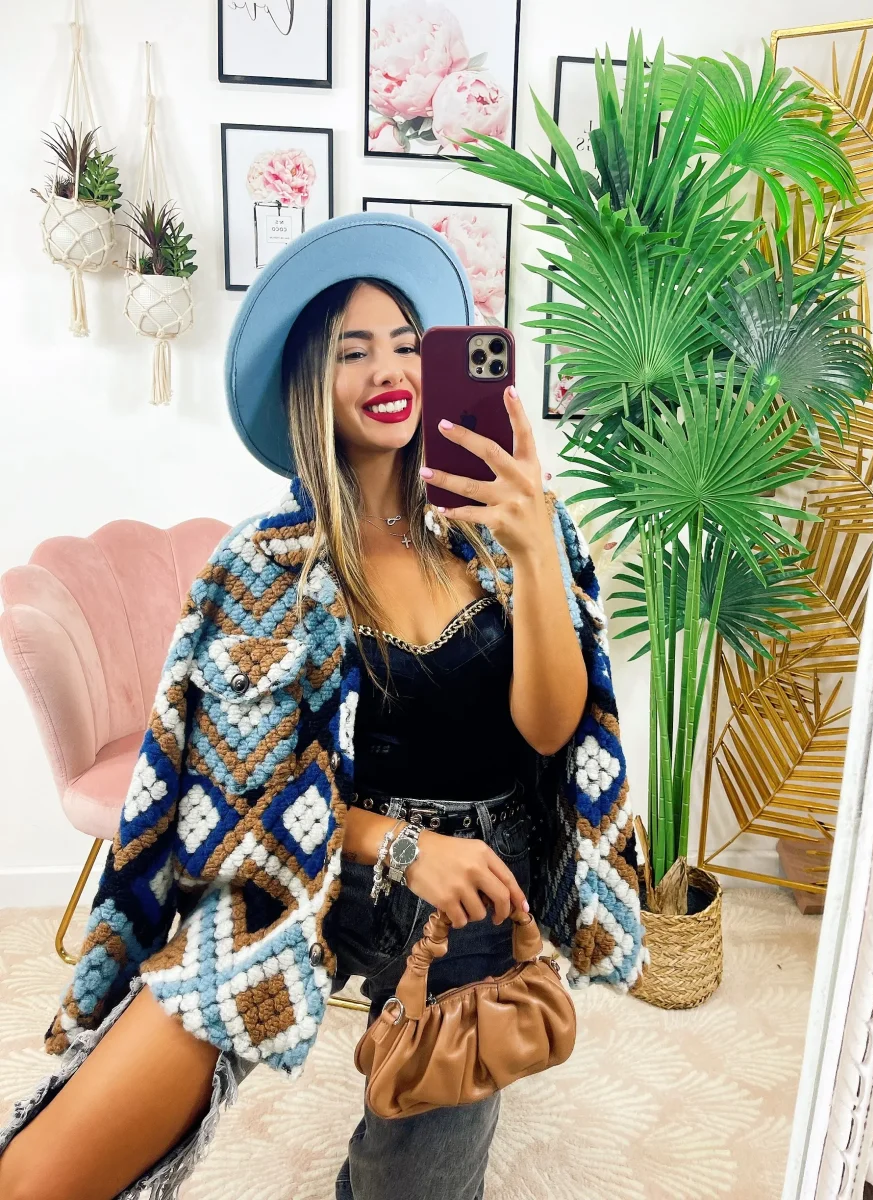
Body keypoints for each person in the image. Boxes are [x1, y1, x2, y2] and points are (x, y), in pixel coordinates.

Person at [0, 212, 646, 1200]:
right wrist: (399, 844)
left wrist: (533, 551)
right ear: (313, 380)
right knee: (56, 1158)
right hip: (314, 859)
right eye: (354, 350)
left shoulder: (508, 531)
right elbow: (233, 793)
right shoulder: (259, 567)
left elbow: (554, 733)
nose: (389, 369)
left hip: (474, 889)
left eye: (407, 344)